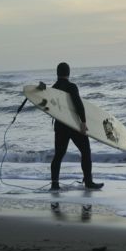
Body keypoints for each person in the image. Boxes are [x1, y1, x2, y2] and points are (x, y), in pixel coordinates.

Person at [50, 62, 104, 191]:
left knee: (58, 155)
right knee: (85, 151)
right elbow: (78, 104)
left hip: (60, 126)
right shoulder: (71, 86)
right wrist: (83, 122)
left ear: (57, 73)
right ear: (68, 73)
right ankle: (88, 181)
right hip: (74, 125)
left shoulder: (52, 89)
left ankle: (55, 184)